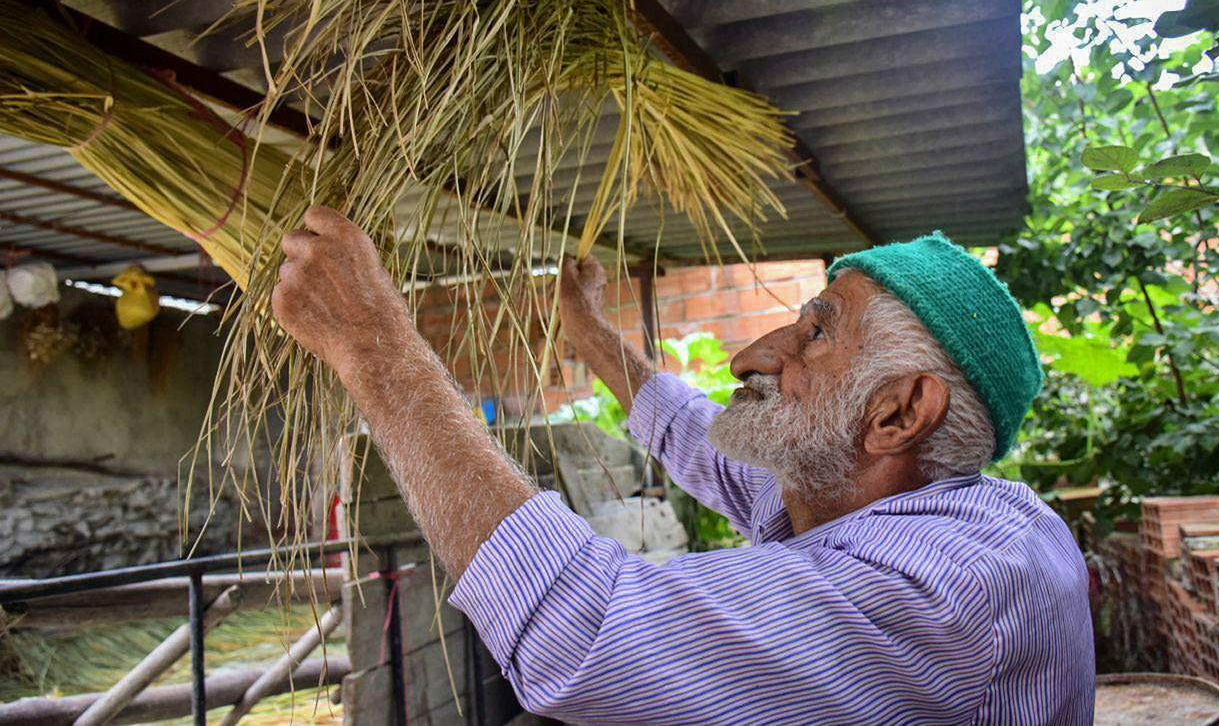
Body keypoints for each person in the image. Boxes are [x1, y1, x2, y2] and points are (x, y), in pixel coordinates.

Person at [272, 207, 1095, 724]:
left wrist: (374, 345)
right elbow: (700, 436)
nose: (749, 356)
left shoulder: (940, 590)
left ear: (900, 413)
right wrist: (590, 333)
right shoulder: (871, 491)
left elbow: (580, 629)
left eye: (815, 333)